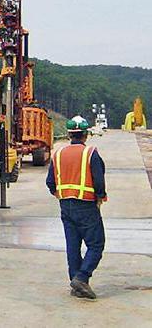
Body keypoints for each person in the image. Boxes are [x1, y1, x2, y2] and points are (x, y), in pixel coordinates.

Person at [46, 115, 107, 300]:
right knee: (96, 244)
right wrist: (101, 197)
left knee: (73, 246)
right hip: (87, 205)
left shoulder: (57, 154)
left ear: (69, 134)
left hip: (66, 205)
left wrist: (61, 195)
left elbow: (50, 182)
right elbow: (99, 181)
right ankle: (81, 278)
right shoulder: (91, 153)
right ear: (86, 134)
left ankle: (76, 283)